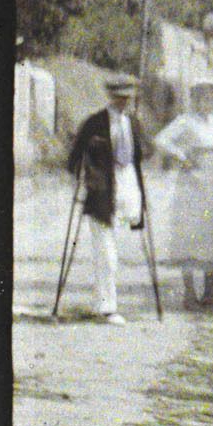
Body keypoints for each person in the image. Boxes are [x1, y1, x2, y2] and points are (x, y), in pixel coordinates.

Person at [66, 73, 149, 323]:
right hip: (101, 193)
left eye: (127, 98)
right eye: (119, 98)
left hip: (128, 190)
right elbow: (73, 159)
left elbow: (145, 152)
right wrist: (85, 176)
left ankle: (101, 303)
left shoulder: (133, 122)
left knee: (115, 251)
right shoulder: (94, 123)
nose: (123, 103)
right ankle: (106, 307)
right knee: (107, 254)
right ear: (110, 96)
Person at [155, 81, 213, 312]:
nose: (207, 104)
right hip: (192, 183)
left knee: (212, 236)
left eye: (212, 99)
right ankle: (189, 293)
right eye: (202, 99)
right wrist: (182, 156)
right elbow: (161, 140)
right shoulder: (185, 121)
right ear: (195, 100)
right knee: (190, 236)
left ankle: (210, 291)